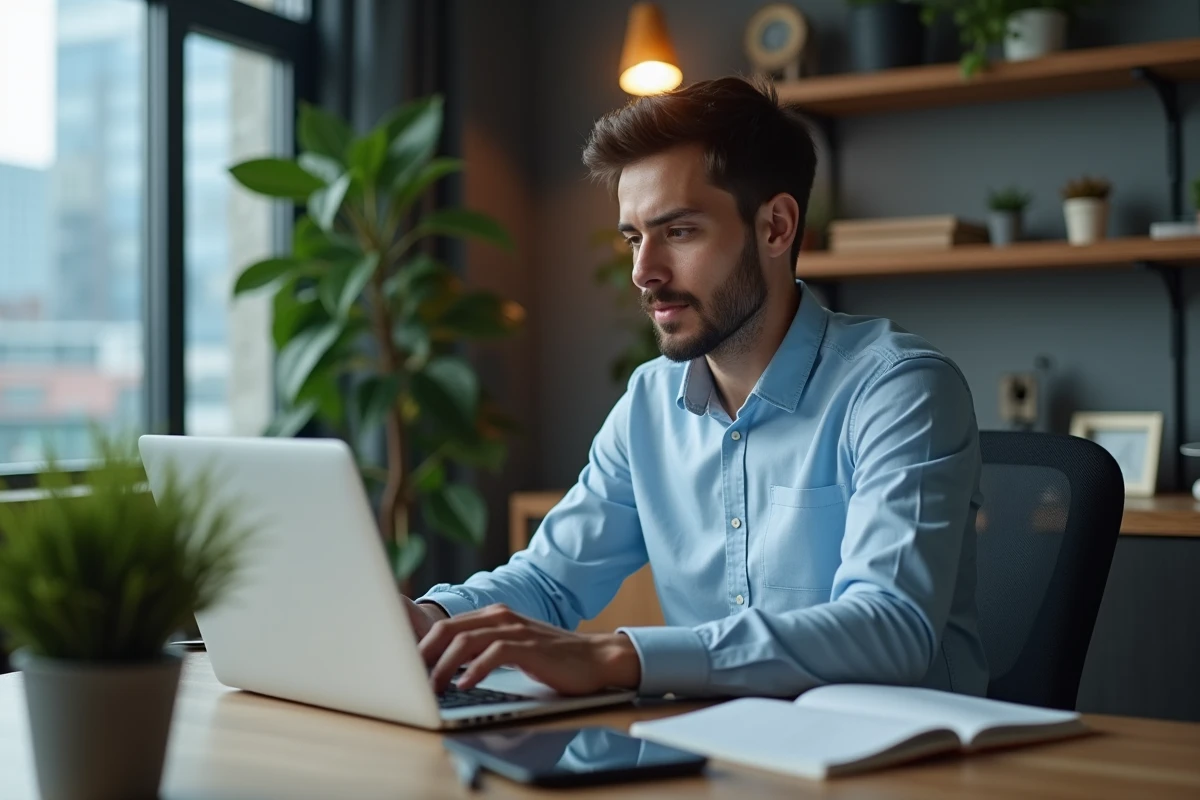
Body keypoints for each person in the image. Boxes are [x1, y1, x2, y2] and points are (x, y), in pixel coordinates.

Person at [407, 75, 989, 700]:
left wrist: (622, 656)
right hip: (714, 756)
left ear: (775, 227)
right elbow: (551, 580)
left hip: (898, 764)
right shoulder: (649, 404)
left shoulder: (899, 390)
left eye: (678, 232)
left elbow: (889, 629)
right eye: (634, 237)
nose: (642, 272)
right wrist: (432, 621)